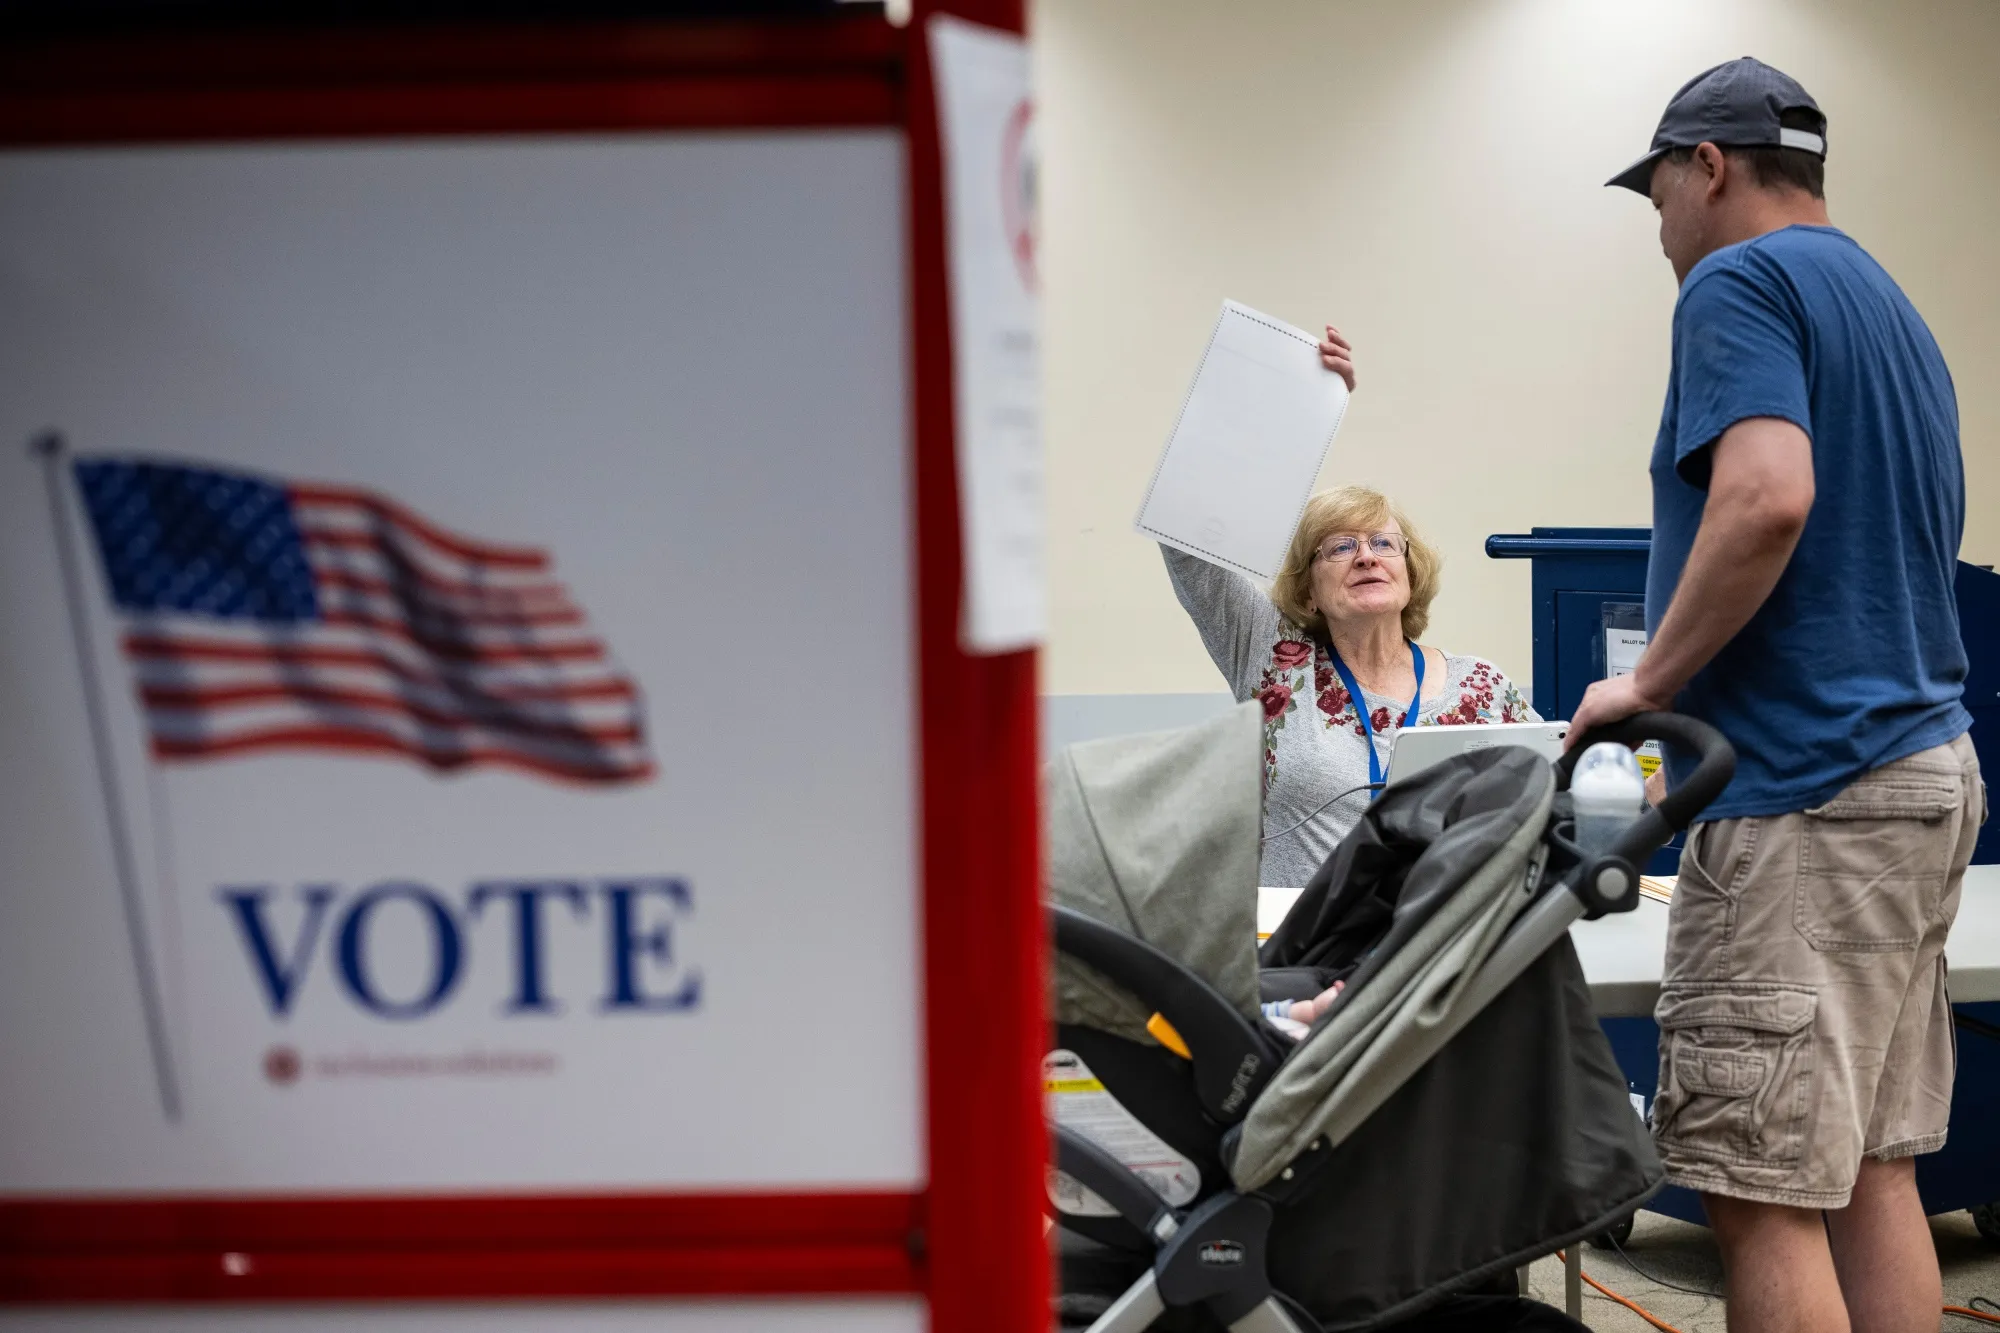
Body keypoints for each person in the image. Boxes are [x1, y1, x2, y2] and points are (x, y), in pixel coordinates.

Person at [1571, 58, 1986, 1333]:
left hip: (1809, 788)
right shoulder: (1886, 303)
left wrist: (1643, 681)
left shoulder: (1735, 282)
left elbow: (1765, 494)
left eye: (1655, 196)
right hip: (1923, 771)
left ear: (1706, 168)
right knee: (1868, 1166)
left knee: (1756, 1191)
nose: (1657, 229)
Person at [1164, 327, 1536, 888]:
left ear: (1410, 572)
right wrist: (1299, 417)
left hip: (1433, 947)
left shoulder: (1482, 689)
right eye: (1340, 548)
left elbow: (1555, 795)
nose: (1367, 557)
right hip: (1303, 954)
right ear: (1308, 589)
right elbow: (1183, 531)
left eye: (1384, 544)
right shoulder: (1274, 659)